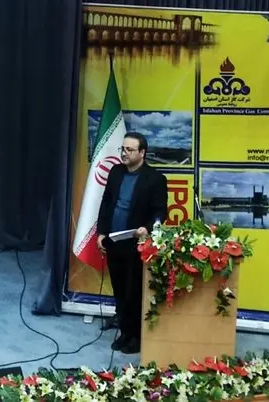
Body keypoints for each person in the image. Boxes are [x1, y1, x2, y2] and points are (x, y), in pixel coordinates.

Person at [96, 132, 168, 355]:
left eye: (129, 150)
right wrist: (101, 232)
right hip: (113, 241)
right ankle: (125, 332)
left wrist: (148, 228)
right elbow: (106, 203)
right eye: (123, 149)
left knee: (133, 291)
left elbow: (160, 213)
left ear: (142, 152)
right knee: (119, 289)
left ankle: (136, 336)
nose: (124, 153)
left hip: (136, 244)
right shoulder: (116, 172)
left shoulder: (155, 179)